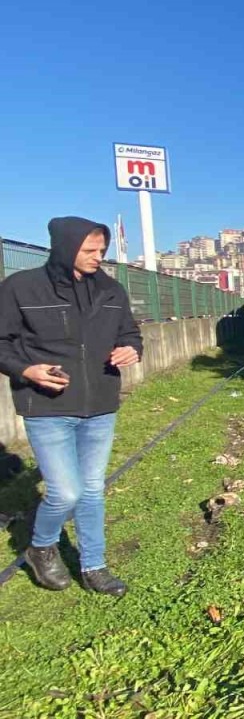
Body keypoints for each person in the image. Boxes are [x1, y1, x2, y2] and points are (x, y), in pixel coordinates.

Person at [0, 217, 143, 596]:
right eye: (90, 251)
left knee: (92, 489)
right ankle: (41, 546)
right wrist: (26, 369)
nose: (99, 257)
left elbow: (129, 332)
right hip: (47, 406)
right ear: (65, 248)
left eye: (102, 250)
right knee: (66, 492)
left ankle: (94, 566)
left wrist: (133, 348)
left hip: (100, 405)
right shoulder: (20, 287)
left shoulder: (111, 290)